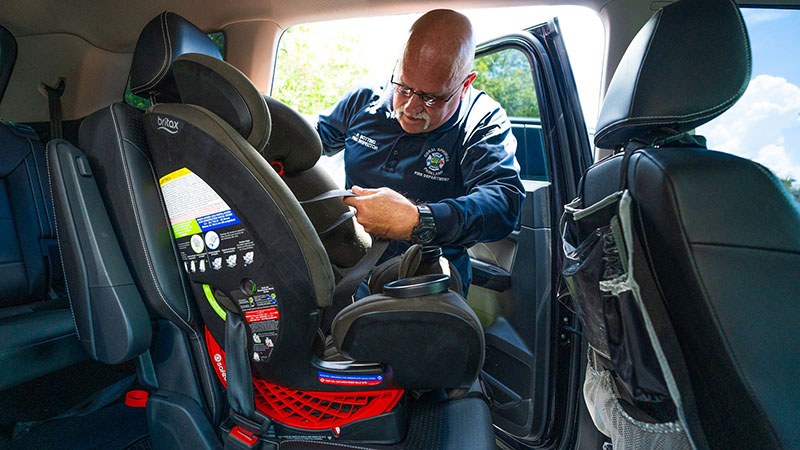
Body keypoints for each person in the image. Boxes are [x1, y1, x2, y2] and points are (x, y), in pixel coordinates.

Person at [316, 9, 525, 295]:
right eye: (403, 87)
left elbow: (503, 202)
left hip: (427, 277)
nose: (411, 107)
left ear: (464, 86)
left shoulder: (481, 121)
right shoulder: (364, 100)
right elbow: (307, 144)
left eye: (431, 97)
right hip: (349, 262)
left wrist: (418, 220)